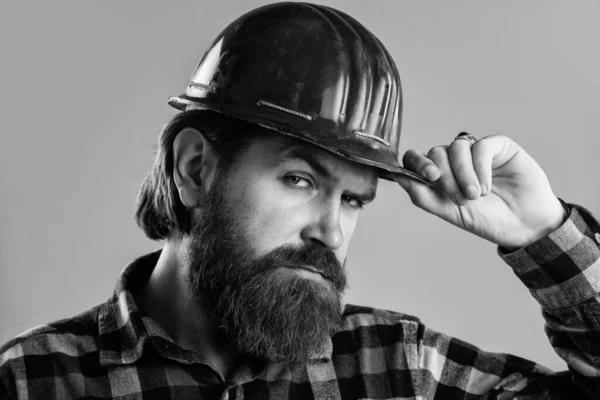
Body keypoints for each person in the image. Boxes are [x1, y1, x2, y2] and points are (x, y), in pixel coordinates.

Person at [1, 2, 599, 399]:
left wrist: (542, 233)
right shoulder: (30, 380)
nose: (331, 234)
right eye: (300, 180)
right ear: (195, 168)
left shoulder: (398, 370)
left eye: (353, 202)